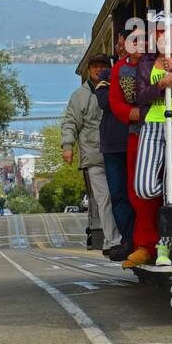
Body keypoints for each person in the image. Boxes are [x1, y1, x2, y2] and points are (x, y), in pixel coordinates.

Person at [122, 14, 172, 269]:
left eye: (167, 29)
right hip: (152, 126)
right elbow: (141, 97)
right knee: (144, 188)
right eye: (158, 31)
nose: (163, 35)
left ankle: (164, 247)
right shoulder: (146, 63)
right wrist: (162, 82)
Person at [60, 54, 119, 252]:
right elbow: (70, 122)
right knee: (105, 199)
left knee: (120, 196)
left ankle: (122, 237)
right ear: (89, 70)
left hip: (117, 151)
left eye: (103, 66)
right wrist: (67, 146)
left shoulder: (115, 87)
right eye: (95, 66)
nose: (99, 69)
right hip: (94, 157)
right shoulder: (79, 96)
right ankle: (112, 240)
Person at [108, 24, 148, 262]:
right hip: (136, 133)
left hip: (163, 129)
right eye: (134, 40)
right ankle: (142, 243)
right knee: (137, 190)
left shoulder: (157, 62)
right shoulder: (119, 70)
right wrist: (139, 115)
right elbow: (115, 104)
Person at [96, 32, 134, 261]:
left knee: (137, 192)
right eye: (119, 45)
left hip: (135, 138)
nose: (121, 48)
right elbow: (105, 101)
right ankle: (128, 238)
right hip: (112, 145)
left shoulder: (143, 71)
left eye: (126, 44)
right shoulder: (107, 74)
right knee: (118, 194)